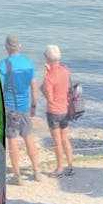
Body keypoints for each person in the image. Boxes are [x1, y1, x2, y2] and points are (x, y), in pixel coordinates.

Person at [0, 33, 40, 185]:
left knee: (12, 141)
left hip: (10, 108)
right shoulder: (28, 63)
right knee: (29, 137)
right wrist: (34, 106)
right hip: (25, 108)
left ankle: (17, 176)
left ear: (6, 48)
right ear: (19, 46)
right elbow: (34, 87)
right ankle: (36, 170)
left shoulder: (3, 65)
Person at [40, 44, 74, 178]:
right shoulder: (65, 70)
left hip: (53, 112)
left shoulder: (49, 77)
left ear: (47, 59)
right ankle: (70, 166)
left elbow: (49, 98)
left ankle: (59, 168)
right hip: (65, 109)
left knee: (57, 142)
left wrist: (46, 76)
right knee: (65, 139)